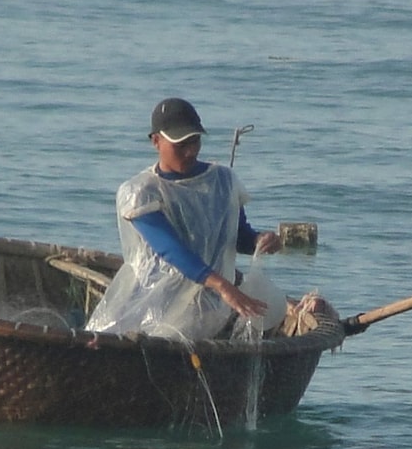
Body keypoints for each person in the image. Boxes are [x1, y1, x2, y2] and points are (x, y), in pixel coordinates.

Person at [84, 97, 283, 341]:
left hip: (207, 305)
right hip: (152, 300)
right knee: (109, 340)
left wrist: (260, 241)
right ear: (156, 141)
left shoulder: (222, 181)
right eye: (181, 145)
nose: (190, 151)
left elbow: (238, 235)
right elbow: (171, 250)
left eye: (195, 141)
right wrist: (223, 286)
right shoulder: (142, 193)